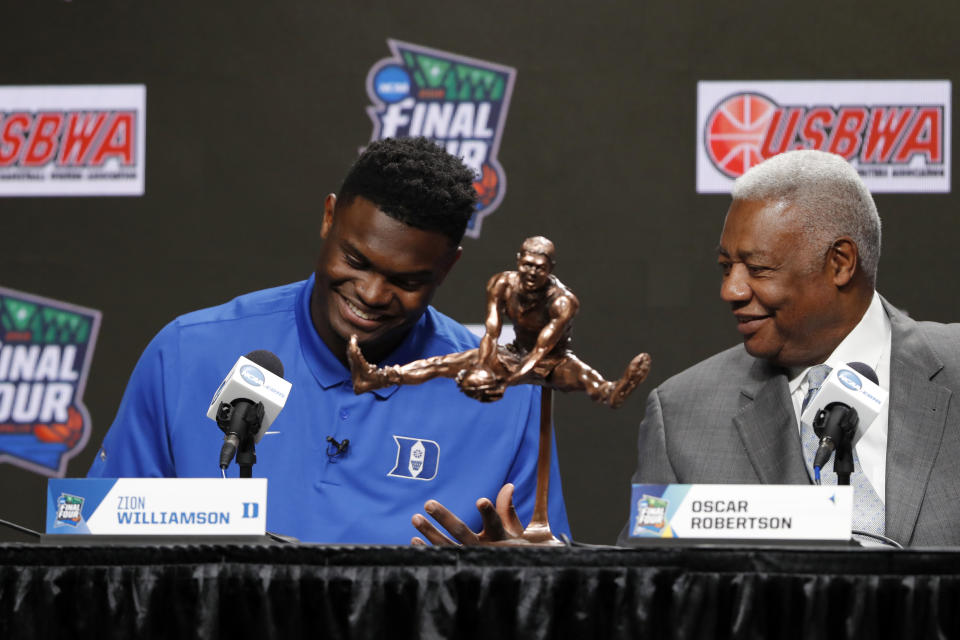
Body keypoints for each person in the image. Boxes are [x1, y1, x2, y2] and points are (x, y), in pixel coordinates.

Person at [87, 137, 570, 544]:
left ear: (447, 268)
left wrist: (515, 579)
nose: (371, 294)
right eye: (356, 261)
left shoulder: (504, 392)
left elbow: (549, 572)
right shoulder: (188, 353)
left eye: (405, 281)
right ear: (328, 218)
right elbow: (96, 543)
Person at [618, 149, 960, 547]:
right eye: (726, 267)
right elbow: (651, 592)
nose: (731, 290)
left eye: (758, 269)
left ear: (840, 263)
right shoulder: (682, 416)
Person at [347, 236, 651, 407]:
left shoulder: (562, 302)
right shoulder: (502, 284)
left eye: (540, 268)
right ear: (518, 260)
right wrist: (484, 365)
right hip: (514, 351)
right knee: (442, 363)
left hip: (553, 359)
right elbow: (492, 332)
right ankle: (377, 377)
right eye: (527, 265)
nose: (532, 272)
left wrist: (504, 382)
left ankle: (615, 390)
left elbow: (542, 350)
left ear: (551, 269)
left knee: (592, 384)